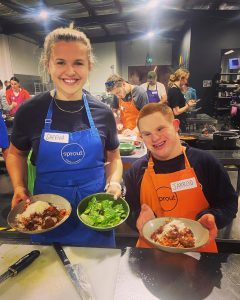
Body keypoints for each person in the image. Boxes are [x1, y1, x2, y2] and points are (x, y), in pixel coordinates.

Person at [7, 24, 123, 247]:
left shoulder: (103, 112)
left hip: (95, 216)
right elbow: (15, 154)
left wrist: (115, 183)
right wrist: (20, 187)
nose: (70, 72)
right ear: (48, 65)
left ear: (89, 66)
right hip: (46, 217)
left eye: (78, 63)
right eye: (61, 62)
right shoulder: (30, 110)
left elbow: (115, 157)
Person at [124, 103, 238, 252]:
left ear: (175, 125)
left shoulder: (205, 163)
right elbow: (129, 210)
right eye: (147, 133)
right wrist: (137, 217)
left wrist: (213, 217)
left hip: (198, 255)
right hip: (151, 255)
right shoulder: (136, 171)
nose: (155, 138)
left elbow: (229, 204)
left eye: (160, 128)